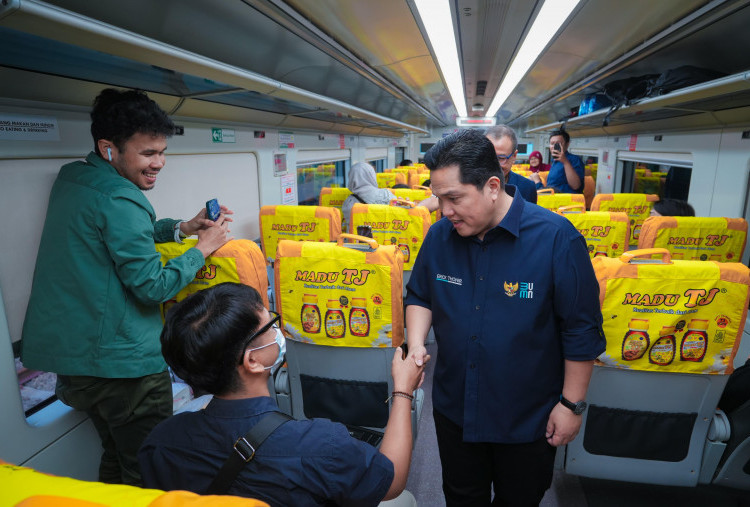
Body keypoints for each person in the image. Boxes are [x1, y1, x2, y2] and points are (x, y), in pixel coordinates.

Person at [21, 88, 232, 486]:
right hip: (123, 370)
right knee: (149, 465)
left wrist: (181, 228)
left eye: (162, 151)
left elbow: (117, 236)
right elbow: (151, 287)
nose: (159, 163)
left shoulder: (76, 179)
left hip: (78, 366)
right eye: (148, 153)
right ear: (109, 148)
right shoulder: (121, 197)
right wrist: (201, 249)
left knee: (117, 457)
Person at [404, 130, 605, 506]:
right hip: (455, 408)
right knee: (461, 497)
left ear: (492, 186)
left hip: (528, 417)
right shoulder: (438, 238)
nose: (444, 210)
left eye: (454, 198)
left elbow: (581, 329)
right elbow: (420, 294)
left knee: (519, 500)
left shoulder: (557, 240)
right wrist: (416, 342)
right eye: (438, 198)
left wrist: (571, 405)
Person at [139, 282, 428, 506]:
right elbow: (392, 480)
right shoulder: (320, 445)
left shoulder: (160, 443)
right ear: (252, 361)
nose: (277, 329)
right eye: (269, 325)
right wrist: (403, 390)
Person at [485, 125, 537, 204]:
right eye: (488, 156)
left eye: (501, 158)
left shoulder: (527, 188)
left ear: (514, 156)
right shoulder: (470, 184)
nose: (493, 164)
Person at [530, 130, 585, 194]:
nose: (554, 146)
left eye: (558, 143)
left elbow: (575, 186)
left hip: (564, 200)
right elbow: (553, 186)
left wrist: (565, 161)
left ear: (567, 145)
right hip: (553, 197)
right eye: (552, 143)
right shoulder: (554, 161)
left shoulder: (574, 159)